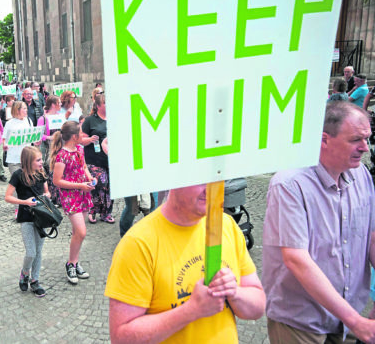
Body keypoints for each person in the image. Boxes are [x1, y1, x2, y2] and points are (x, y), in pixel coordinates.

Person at [262, 101, 375, 343]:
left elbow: (371, 237)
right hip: (301, 322)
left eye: (367, 138)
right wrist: (356, 321)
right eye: (356, 139)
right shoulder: (289, 184)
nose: (365, 148)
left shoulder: (361, 174)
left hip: (347, 316)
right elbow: (296, 259)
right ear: (324, 139)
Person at [105, 183, 265, 343]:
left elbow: (258, 305)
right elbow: (121, 338)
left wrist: (234, 293)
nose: (210, 188)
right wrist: (191, 311)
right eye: (200, 179)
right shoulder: (138, 243)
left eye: (216, 178)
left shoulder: (227, 225)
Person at [51, 121, 95, 285]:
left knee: (78, 233)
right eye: (82, 133)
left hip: (83, 193)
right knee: (81, 232)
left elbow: (83, 167)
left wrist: (89, 177)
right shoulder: (62, 155)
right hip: (71, 196)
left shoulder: (80, 150)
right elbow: (57, 181)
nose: (84, 136)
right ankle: (70, 264)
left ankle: (74, 263)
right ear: (75, 136)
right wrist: (80, 185)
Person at [4, 146, 49, 298]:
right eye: (38, 160)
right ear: (29, 161)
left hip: (41, 217)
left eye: (41, 159)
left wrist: (46, 197)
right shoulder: (18, 175)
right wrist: (25, 202)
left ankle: (35, 280)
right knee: (31, 252)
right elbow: (8, 197)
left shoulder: (41, 173)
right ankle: (24, 273)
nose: (41, 162)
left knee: (39, 251)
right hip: (26, 218)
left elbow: (46, 191)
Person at [81, 90, 114, 224]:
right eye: (105, 103)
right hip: (94, 159)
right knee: (100, 183)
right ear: (98, 105)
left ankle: (107, 213)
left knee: (111, 186)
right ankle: (93, 210)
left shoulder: (114, 118)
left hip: (111, 159)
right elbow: (81, 139)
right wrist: (89, 139)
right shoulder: (90, 121)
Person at [3, 101, 33, 174]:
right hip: (14, 158)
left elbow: (32, 136)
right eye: (24, 108)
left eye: (26, 108)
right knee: (17, 182)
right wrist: (5, 145)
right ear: (17, 110)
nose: (26, 110)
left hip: (27, 158)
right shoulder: (9, 123)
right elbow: (4, 138)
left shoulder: (29, 121)